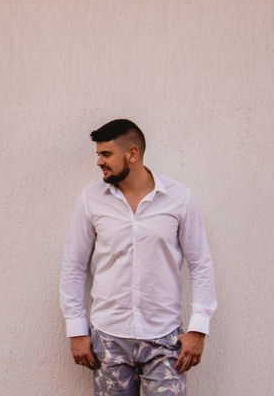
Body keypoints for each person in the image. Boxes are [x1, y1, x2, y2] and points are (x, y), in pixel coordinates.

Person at [59, 119, 216, 395]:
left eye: (106, 154)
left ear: (133, 153)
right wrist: (76, 329)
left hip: (165, 338)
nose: (99, 162)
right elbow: (74, 266)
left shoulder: (179, 198)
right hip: (108, 338)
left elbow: (201, 264)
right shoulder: (91, 199)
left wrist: (198, 329)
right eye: (99, 154)